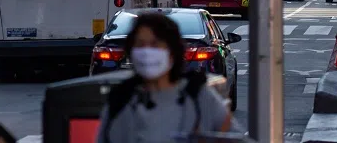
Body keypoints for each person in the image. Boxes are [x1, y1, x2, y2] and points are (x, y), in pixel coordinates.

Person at [97, 12, 241, 143]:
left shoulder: (198, 96)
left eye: (155, 44)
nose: (147, 52)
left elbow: (236, 138)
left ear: (172, 51)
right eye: (140, 45)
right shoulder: (120, 100)